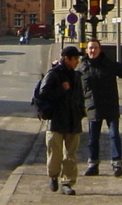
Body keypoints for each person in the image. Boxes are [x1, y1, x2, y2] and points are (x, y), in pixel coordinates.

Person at [78, 38, 122, 176]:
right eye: (90, 48)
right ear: (86, 50)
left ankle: (117, 164)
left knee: (114, 135)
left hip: (110, 104)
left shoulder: (108, 64)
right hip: (93, 105)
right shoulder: (82, 67)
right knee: (93, 138)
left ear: (99, 49)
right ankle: (93, 165)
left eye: (95, 48)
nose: (93, 50)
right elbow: (73, 83)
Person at [42, 45, 86, 195]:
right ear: (66, 59)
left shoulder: (76, 75)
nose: (77, 62)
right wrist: (62, 89)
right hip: (56, 120)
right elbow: (43, 94)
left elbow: (80, 96)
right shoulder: (54, 74)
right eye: (75, 59)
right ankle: (53, 176)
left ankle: (67, 182)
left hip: (73, 120)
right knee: (55, 153)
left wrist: (81, 111)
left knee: (71, 154)